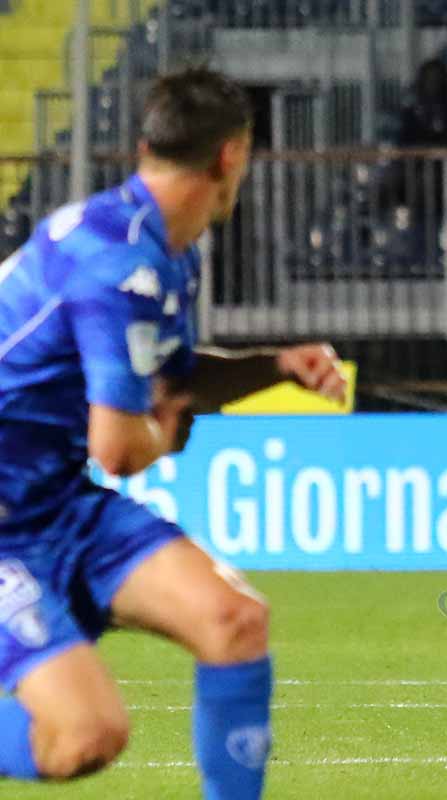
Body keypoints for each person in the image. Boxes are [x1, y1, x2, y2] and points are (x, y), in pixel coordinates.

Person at [0, 67, 347, 796]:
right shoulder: (119, 263)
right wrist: (162, 433)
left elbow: (171, 383)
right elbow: (120, 449)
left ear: (146, 147)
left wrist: (276, 366)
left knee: (233, 620)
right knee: (86, 736)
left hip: (51, 502)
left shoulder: (162, 248)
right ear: (232, 155)